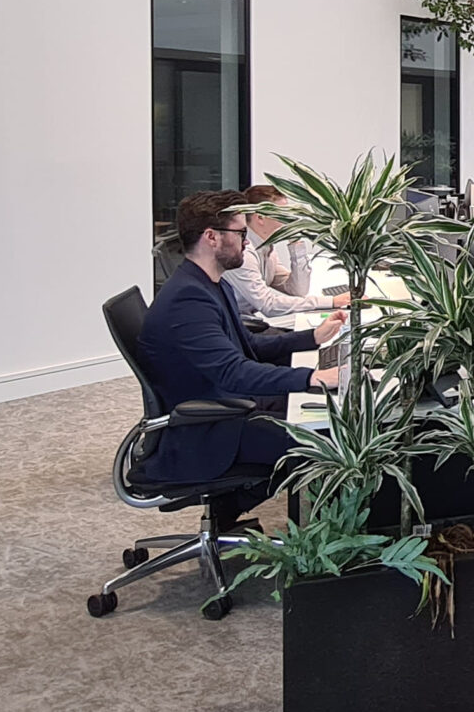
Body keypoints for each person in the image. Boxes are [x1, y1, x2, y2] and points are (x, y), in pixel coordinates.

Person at [135, 191, 346, 523]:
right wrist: (312, 377)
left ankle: (227, 511)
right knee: (324, 440)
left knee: (318, 411)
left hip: (224, 404)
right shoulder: (188, 299)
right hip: (208, 430)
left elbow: (248, 345)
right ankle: (246, 513)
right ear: (211, 237)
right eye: (240, 233)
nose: (247, 243)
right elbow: (234, 372)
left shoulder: (208, 283)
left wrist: (311, 338)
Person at [226, 184, 352, 318]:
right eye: (284, 214)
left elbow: (298, 290)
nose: (290, 221)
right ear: (260, 218)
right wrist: (331, 301)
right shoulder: (243, 252)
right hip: (237, 324)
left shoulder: (266, 247)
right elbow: (268, 305)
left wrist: (296, 244)